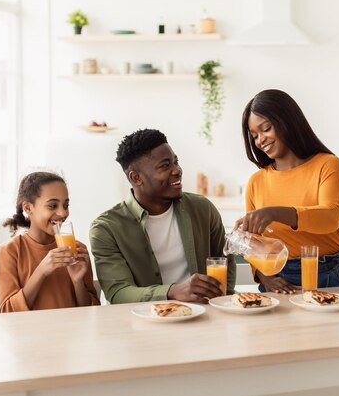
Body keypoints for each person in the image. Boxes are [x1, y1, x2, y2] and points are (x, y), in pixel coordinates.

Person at [236, 89, 339, 294]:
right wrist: (266, 278)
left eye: (266, 128)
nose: (260, 140)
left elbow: (330, 217)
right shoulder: (256, 182)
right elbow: (254, 244)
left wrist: (274, 213)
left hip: (332, 275)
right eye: (255, 135)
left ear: (287, 121)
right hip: (281, 281)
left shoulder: (327, 165)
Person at [89, 129, 236, 304]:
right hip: (141, 324)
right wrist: (172, 292)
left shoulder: (202, 209)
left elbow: (225, 261)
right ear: (136, 178)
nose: (178, 170)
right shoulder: (106, 229)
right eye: (165, 166)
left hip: (203, 316)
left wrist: (221, 301)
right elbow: (119, 293)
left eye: (176, 162)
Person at [0, 172, 100, 312]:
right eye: (52, 205)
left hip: (73, 332)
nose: (63, 213)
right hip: (30, 333)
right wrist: (41, 271)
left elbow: (92, 312)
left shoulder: (77, 249)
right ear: (28, 208)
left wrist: (77, 281)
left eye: (66, 205)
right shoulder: (9, 252)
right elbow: (7, 313)